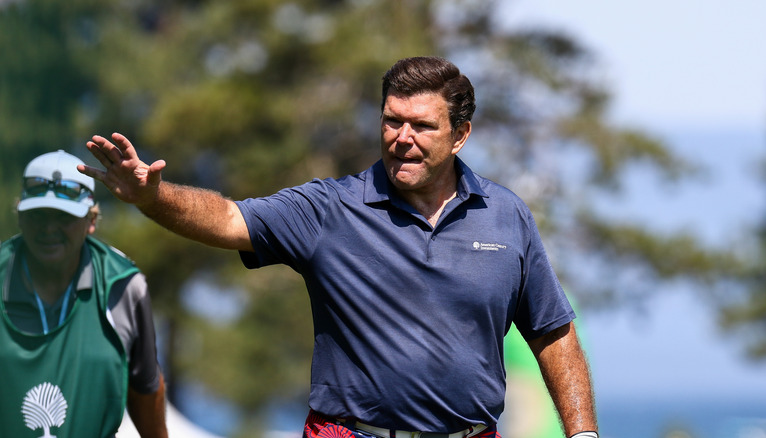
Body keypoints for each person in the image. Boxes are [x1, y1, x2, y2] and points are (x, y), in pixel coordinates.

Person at [79, 56, 598, 438]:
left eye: (422, 126)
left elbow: (553, 334)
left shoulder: (507, 216)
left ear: (460, 135)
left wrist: (583, 435)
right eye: (392, 121)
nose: (403, 137)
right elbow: (228, 218)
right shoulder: (330, 209)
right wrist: (153, 197)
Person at [0, 150, 168, 438]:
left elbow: (147, 389)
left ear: (91, 219)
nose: (49, 228)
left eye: (63, 216)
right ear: (21, 216)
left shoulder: (123, 286)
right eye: (39, 214)